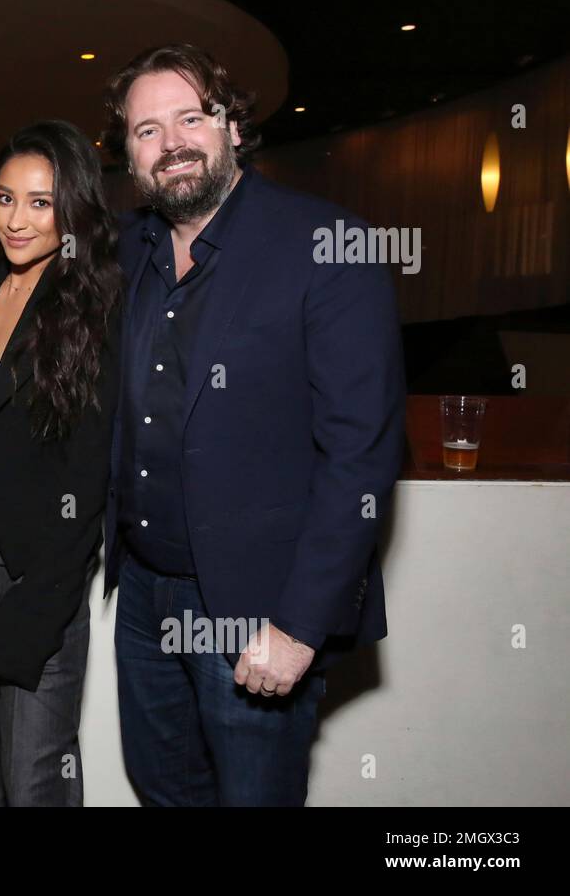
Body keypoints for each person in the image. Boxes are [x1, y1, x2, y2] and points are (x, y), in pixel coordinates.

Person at [101, 43, 406, 806]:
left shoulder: (328, 247)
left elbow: (361, 457)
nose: (170, 142)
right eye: (145, 130)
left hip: (255, 606)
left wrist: (302, 623)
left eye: (191, 117)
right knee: (164, 788)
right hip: (143, 594)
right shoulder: (129, 249)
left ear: (233, 126)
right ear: (130, 154)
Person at [0, 120, 123, 806]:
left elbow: (90, 472)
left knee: (34, 763)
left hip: (39, 549)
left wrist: (49, 587)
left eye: (40, 202)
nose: (16, 218)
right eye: (5, 197)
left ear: (73, 209)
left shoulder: (96, 306)